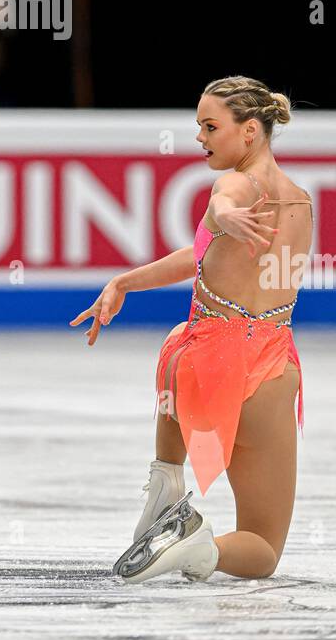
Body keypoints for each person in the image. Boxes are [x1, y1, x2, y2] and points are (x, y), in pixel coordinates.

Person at [70, 76, 313, 582]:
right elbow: (215, 233)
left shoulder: (236, 185)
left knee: (180, 339)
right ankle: (196, 541)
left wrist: (224, 214)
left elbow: (223, 205)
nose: (200, 138)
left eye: (209, 126)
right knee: (264, 550)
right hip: (271, 368)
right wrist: (128, 281)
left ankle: (169, 489)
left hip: (207, 363)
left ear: (250, 132)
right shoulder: (300, 201)